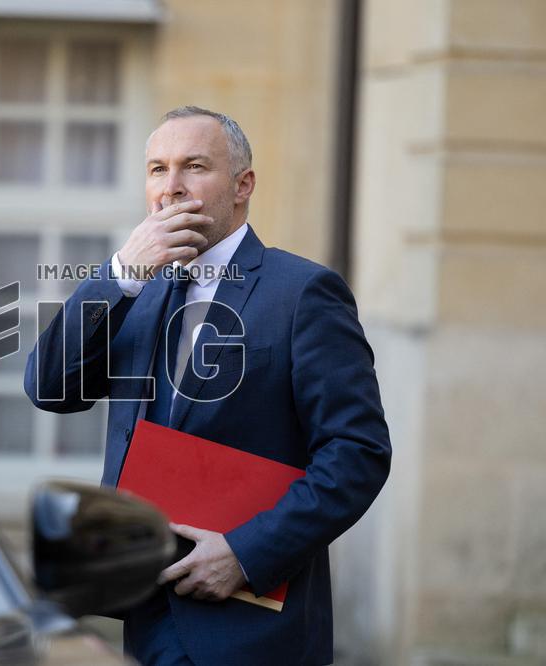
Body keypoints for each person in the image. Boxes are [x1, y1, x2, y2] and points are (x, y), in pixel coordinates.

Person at [24, 105, 391, 665]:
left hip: (255, 625)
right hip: (149, 616)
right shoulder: (132, 292)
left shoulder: (304, 293)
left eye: (194, 166)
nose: (171, 188)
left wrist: (246, 554)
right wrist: (120, 273)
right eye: (156, 169)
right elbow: (50, 386)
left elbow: (357, 454)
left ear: (242, 185)